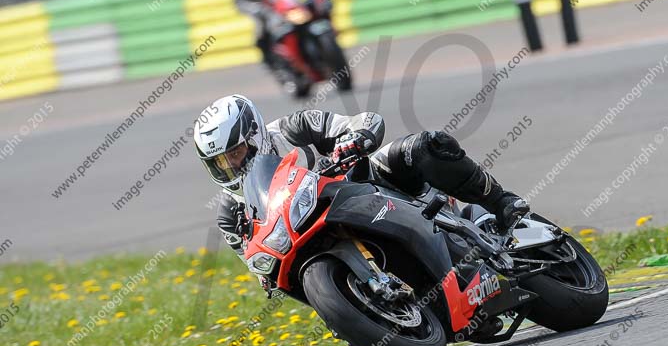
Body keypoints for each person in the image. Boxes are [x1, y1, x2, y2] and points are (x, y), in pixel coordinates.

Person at [193, 94, 529, 269]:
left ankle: (502, 202)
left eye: (234, 153)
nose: (231, 166)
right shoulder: (230, 212)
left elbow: (362, 120)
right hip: (317, 238)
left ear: (253, 134)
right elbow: (258, 269)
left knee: (424, 146)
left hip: (367, 186)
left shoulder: (293, 129)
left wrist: (354, 139)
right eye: (220, 162)